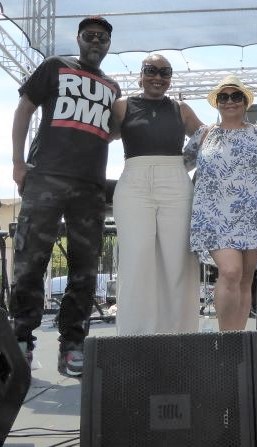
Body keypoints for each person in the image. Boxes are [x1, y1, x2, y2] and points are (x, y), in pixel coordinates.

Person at [11, 16, 121, 377]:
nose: (96, 42)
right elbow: (25, 108)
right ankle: (20, 343)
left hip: (89, 187)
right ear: (78, 39)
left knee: (85, 271)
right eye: (90, 36)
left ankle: (72, 345)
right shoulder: (55, 66)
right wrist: (18, 163)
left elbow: (111, 131)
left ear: (108, 44)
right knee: (30, 262)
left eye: (102, 38)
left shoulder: (112, 86)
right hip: (45, 177)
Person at [111, 54, 203, 335]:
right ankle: (135, 336)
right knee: (135, 259)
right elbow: (100, 138)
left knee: (179, 261)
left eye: (165, 72)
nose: (158, 77)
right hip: (134, 183)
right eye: (151, 70)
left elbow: (206, 138)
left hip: (176, 182)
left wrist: (182, 165)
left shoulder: (181, 109)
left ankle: (180, 334)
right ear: (140, 74)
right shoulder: (122, 106)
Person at [184, 75, 257, 331]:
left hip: (255, 215)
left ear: (246, 102)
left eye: (236, 96)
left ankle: (237, 339)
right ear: (216, 103)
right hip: (214, 215)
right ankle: (225, 341)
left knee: (245, 279)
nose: (230, 101)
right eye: (223, 97)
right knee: (230, 272)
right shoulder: (204, 135)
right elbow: (181, 165)